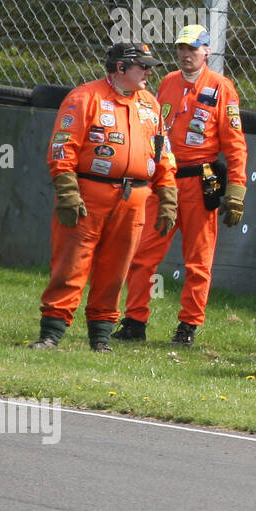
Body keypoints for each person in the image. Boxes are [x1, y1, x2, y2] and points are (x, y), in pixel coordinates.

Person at [32, 42, 178, 352]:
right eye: (143, 66)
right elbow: (63, 148)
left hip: (135, 199)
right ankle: (51, 335)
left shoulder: (151, 104)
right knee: (71, 265)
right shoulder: (85, 97)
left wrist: (168, 195)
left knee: (116, 269)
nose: (150, 72)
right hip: (89, 195)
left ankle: (101, 339)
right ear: (120, 69)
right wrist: (68, 192)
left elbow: (162, 153)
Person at [114, 24, 248, 347]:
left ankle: (187, 327)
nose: (186, 55)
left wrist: (237, 189)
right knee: (144, 254)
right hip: (165, 181)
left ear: (207, 52)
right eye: (181, 49)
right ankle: (135, 321)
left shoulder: (222, 87)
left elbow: (235, 143)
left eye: (193, 49)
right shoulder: (169, 82)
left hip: (200, 185)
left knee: (198, 261)